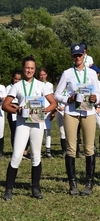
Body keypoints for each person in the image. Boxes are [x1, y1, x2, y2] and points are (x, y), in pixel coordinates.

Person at [2, 55, 57, 200]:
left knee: (36, 156)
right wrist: (17, 110)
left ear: (35, 69)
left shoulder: (41, 85)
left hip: (37, 124)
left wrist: (45, 111)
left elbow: (53, 103)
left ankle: (35, 188)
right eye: (27, 68)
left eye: (32, 68)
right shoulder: (17, 85)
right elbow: (5, 105)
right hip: (22, 124)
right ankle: (8, 190)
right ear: (23, 68)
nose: (29, 70)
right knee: (17, 156)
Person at [54, 43, 100, 196]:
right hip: (71, 113)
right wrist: (69, 98)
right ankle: (72, 184)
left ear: (84, 55)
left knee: (89, 148)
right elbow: (56, 94)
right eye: (75, 55)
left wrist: (95, 98)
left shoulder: (92, 73)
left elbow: (99, 94)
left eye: (80, 55)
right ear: (72, 57)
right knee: (71, 149)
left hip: (89, 112)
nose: (77, 58)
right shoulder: (67, 73)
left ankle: (89, 184)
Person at [6, 70, 29, 159]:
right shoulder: (9, 87)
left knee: (25, 130)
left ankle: (24, 151)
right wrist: (15, 106)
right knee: (14, 132)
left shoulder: (22, 87)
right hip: (13, 112)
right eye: (15, 79)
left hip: (23, 111)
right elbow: (6, 101)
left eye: (19, 79)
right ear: (13, 78)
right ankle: (15, 151)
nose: (17, 81)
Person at [38, 67, 55, 158]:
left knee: (47, 130)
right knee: (39, 130)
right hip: (39, 110)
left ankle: (48, 150)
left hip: (48, 109)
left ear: (46, 75)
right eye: (41, 75)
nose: (42, 77)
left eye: (44, 75)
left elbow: (52, 98)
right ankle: (38, 150)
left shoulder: (50, 85)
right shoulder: (36, 84)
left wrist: (52, 111)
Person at [0, 75, 6, 159]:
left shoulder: (2, 87)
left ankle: (0, 152)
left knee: (0, 131)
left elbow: (5, 99)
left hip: (0, 112)